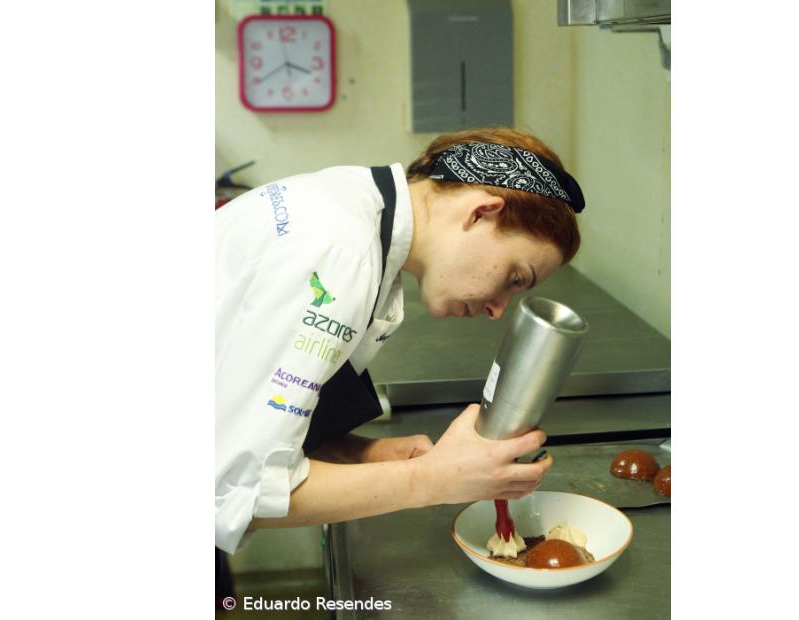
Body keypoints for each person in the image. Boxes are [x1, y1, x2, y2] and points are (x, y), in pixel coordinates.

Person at [214, 128, 585, 554]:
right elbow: (237, 493)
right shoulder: (340, 252)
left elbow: (235, 409)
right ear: (481, 213)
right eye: (515, 278)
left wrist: (358, 454)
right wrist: (434, 480)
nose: (499, 309)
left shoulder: (347, 206)